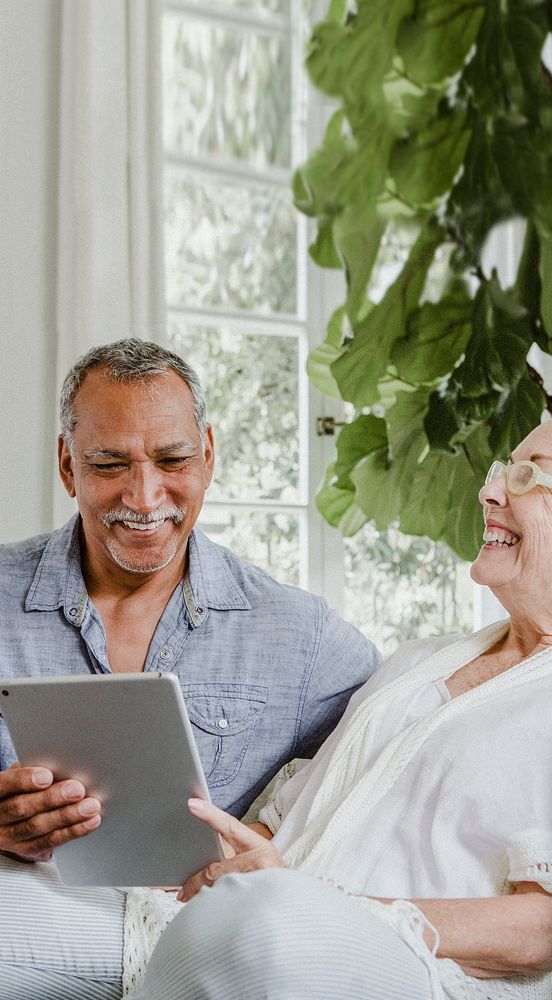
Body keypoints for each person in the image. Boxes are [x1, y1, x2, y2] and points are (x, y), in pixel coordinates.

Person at [127, 395, 552, 1000]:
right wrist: (216, 855)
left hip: (420, 973)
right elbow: (291, 832)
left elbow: (550, 926)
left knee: (265, 929)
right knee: (31, 900)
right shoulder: (420, 660)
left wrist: (319, 907)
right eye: (503, 470)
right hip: (274, 922)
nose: (490, 493)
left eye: (529, 475)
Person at [0, 338, 380, 1000]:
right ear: (67, 465)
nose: (144, 497)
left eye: (172, 460)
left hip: (203, 950)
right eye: (109, 463)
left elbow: (394, 751)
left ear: (208, 455)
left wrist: (273, 840)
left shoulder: (299, 634)